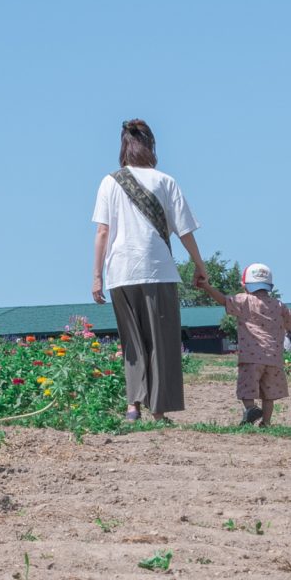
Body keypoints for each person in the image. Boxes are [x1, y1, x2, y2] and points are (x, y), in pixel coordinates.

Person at [92, 119, 206, 422]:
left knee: (132, 342)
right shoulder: (165, 181)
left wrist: (96, 277)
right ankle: (158, 410)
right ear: (151, 145)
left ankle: (133, 407)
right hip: (158, 271)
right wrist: (199, 264)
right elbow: (184, 231)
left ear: (124, 146)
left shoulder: (110, 182)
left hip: (120, 272)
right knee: (161, 342)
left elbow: (102, 231)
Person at [190, 260, 291, 426]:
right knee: (268, 394)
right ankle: (266, 422)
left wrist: (206, 287)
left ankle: (251, 409)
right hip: (274, 358)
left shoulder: (244, 301)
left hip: (252, 356)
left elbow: (223, 300)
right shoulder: (278, 305)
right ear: (269, 285)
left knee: (247, 389)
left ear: (245, 285)